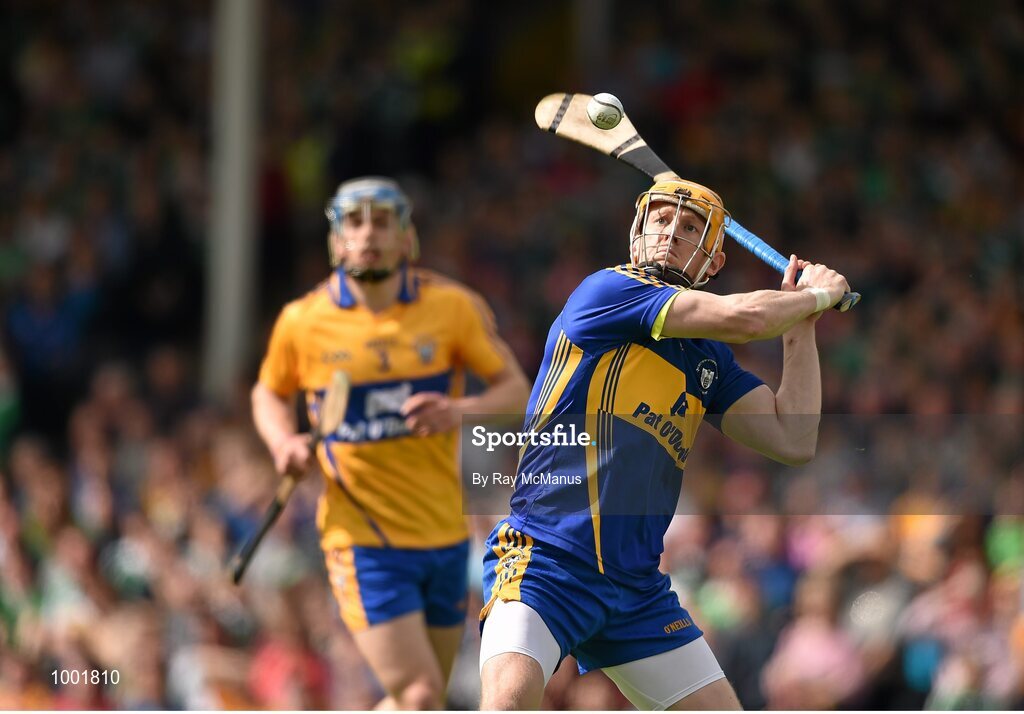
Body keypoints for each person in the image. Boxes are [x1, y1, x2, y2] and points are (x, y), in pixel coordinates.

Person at [478, 177, 850, 710]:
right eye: (660, 219)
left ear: (714, 262)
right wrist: (818, 293)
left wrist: (802, 323)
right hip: (546, 562)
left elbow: (792, 437)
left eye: (692, 226)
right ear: (637, 231)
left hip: (636, 591)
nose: (672, 232)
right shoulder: (609, 291)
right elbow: (744, 318)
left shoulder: (708, 360)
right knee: (510, 701)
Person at [252, 176, 530, 709]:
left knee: (418, 699)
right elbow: (269, 392)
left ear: (408, 238)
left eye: (383, 221)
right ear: (335, 240)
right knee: (422, 694)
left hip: (445, 533)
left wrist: (458, 411)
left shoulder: (452, 308)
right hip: (363, 540)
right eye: (353, 222)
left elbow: (516, 390)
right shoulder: (303, 322)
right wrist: (282, 441)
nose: (368, 233)